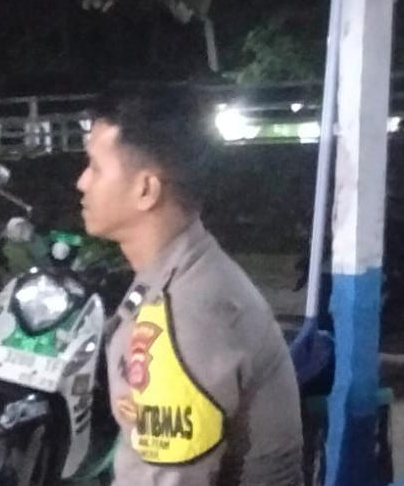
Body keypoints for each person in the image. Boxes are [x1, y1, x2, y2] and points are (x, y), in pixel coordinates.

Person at [76, 90, 303, 485]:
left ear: (146, 190)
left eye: (95, 168)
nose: (81, 182)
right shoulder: (176, 272)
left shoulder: (186, 310)